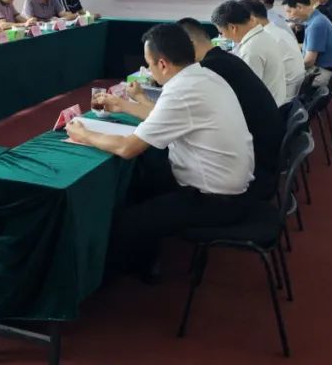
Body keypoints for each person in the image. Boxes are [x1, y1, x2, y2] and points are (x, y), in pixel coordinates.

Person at [65, 24, 254, 278]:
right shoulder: (204, 77)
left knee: (126, 223)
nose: (149, 70)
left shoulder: (181, 91)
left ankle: (124, 277)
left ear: (162, 64)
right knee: (144, 178)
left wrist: (84, 134)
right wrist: (122, 105)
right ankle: (148, 256)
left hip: (215, 200)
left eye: (149, 64)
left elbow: (127, 147)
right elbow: (164, 116)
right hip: (230, 185)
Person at [176, 17, 283, 201]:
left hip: (257, 161)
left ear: (190, 44)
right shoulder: (225, 59)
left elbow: (184, 114)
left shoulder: (211, 69)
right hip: (268, 147)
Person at [210, 0, 287, 105]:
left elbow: (247, 91)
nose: (222, 37)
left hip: (265, 109)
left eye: (221, 32)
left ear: (232, 28)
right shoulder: (262, 36)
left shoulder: (251, 49)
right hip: (274, 102)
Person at [239, 0, 306, 102]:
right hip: (293, 92)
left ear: (252, 19)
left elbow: (251, 83)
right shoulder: (277, 31)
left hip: (283, 98)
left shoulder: (263, 39)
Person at [284, 0, 332, 85]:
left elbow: (309, 61)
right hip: (320, 70)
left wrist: (289, 69)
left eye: (289, 11)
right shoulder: (316, 18)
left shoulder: (316, 25)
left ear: (299, 7)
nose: (288, 16)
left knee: (281, 79)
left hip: (320, 73)